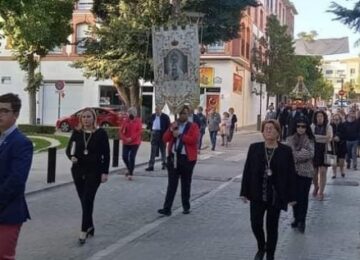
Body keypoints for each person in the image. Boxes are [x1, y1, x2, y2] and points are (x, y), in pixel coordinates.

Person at [240, 120, 297, 260]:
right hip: (257, 193)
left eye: (272, 128)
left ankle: (270, 254)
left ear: (278, 132)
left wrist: (292, 196)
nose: (269, 131)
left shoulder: (285, 150)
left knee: (272, 227)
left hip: (275, 195)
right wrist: (244, 192)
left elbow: (291, 174)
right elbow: (247, 170)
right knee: (255, 223)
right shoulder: (254, 148)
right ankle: (261, 246)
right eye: (266, 129)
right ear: (262, 132)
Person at [66, 108, 110, 244]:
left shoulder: (101, 133)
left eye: (88, 117)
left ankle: (84, 230)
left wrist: (105, 172)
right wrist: (71, 157)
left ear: (94, 118)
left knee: (88, 199)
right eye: (83, 117)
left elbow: (106, 154)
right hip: (78, 170)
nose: (86, 119)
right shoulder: (77, 133)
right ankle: (90, 226)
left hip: (94, 171)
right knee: (84, 200)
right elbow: (69, 150)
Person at [0, 93, 33, 260]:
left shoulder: (21, 142)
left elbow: (17, 180)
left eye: (4, 111)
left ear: (16, 114)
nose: (0, 114)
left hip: (7, 212)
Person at [158, 105, 199, 216]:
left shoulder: (193, 126)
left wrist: (180, 135)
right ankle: (167, 208)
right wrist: (171, 130)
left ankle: (186, 206)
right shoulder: (174, 125)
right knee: (172, 184)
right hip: (173, 158)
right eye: (181, 113)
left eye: (185, 113)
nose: (183, 116)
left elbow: (193, 140)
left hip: (187, 159)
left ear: (188, 114)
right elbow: (165, 139)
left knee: (185, 184)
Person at [287, 117, 315, 233]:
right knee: (294, 197)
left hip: (306, 172)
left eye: (303, 126)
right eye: (298, 126)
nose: (301, 129)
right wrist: (301, 154)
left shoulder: (310, 139)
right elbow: (289, 154)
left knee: (303, 197)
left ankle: (302, 220)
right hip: (293, 172)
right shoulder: (290, 139)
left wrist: (297, 155)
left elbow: (311, 153)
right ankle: (296, 218)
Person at [311, 110, 333, 201]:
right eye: (318, 116)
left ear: (324, 118)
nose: (319, 118)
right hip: (314, 151)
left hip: (325, 150)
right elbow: (311, 138)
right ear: (315, 118)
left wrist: (317, 137)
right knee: (314, 172)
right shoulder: (312, 126)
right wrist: (323, 137)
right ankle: (316, 186)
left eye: (321, 116)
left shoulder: (328, 126)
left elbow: (329, 138)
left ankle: (321, 192)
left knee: (323, 172)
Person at [120, 107, 142, 180]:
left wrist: (131, 138)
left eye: (131, 113)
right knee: (124, 156)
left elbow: (139, 132)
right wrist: (125, 138)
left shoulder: (138, 121)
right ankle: (129, 168)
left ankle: (130, 173)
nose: (129, 114)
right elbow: (121, 131)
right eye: (129, 113)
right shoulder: (125, 121)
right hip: (126, 142)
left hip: (135, 142)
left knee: (132, 157)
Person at [145, 106, 170, 171]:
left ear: (161, 110)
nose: (157, 112)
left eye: (158, 110)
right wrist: (149, 129)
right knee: (153, 150)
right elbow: (149, 123)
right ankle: (151, 165)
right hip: (154, 133)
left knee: (163, 149)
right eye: (156, 110)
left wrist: (166, 134)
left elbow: (168, 126)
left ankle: (164, 163)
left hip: (162, 134)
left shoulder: (165, 117)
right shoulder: (153, 116)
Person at [330, 114, 347, 178]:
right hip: (333, 146)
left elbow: (346, 135)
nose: (336, 121)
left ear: (340, 120)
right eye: (334, 119)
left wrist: (339, 137)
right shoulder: (331, 126)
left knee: (341, 160)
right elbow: (329, 134)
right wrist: (333, 137)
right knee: (333, 160)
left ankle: (342, 171)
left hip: (341, 145)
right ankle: (334, 173)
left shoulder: (343, 126)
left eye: (337, 119)